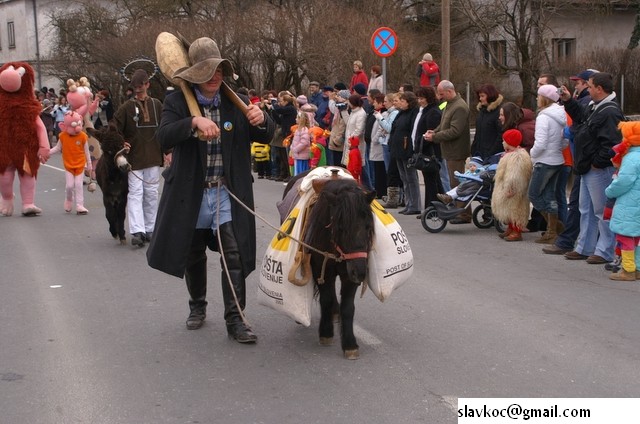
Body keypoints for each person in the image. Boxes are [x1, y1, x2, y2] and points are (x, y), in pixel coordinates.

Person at [146, 36, 275, 343]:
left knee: (234, 254)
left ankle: (236, 320)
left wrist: (262, 119)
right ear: (194, 73)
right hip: (192, 194)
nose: (215, 76)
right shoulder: (177, 101)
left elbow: (267, 136)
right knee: (193, 254)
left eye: (219, 70)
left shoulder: (237, 100)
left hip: (227, 193)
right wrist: (193, 123)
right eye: (208, 71)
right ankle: (197, 306)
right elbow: (163, 136)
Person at [560, 72, 624, 264]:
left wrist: (597, 162)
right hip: (587, 167)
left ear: (599, 89)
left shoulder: (610, 111)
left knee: (601, 210)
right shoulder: (595, 106)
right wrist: (569, 101)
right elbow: (581, 119)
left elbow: (612, 143)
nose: (587, 88)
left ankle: (605, 250)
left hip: (597, 169)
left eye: (589, 85)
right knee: (586, 209)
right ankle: (585, 247)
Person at [543, 69, 598, 255]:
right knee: (579, 203)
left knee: (582, 204)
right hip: (579, 159)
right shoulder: (583, 102)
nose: (577, 85)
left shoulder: (593, 103)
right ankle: (579, 243)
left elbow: (582, 127)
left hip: (585, 160)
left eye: (581, 83)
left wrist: (570, 132)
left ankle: (571, 240)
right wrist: (568, 101)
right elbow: (579, 118)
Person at [114, 69, 165, 247]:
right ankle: (137, 231)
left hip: (153, 156)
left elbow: (165, 128)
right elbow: (115, 128)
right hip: (134, 159)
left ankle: (150, 229)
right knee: (136, 194)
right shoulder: (126, 108)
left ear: (147, 84)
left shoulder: (157, 104)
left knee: (151, 193)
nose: (138, 89)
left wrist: (169, 151)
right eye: (135, 86)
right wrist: (122, 144)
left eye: (141, 86)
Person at [425, 80, 471, 223]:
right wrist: (435, 131)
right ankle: (461, 211)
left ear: (449, 91)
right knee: (454, 183)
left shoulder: (460, 107)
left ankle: (463, 214)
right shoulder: (448, 104)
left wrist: (435, 137)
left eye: (441, 94)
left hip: (456, 151)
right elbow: (444, 123)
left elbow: (455, 131)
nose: (440, 97)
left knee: (457, 183)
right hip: (450, 150)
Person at [528, 84, 567, 244]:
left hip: (544, 161)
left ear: (545, 98)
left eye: (539, 96)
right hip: (557, 159)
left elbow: (540, 143)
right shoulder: (561, 114)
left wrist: (532, 154)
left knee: (534, 194)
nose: (537, 98)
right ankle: (553, 231)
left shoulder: (544, 117)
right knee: (550, 195)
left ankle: (555, 228)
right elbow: (565, 140)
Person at [604, 121, 640, 280]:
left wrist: (610, 191)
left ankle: (628, 269)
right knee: (637, 238)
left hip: (629, 204)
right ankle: (637, 268)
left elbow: (623, 182)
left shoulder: (632, 158)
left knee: (625, 237)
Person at [491, 129, 533, 241]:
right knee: (509, 209)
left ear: (510, 142)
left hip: (514, 189)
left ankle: (517, 231)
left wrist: (511, 187)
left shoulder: (517, 157)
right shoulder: (509, 154)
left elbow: (514, 175)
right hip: (506, 187)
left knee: (516, 209)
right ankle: (510, 227)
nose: (502, 142)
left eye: (504, 141)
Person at [49, 111, 92, 214]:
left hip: (80, 164)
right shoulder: (63, 136)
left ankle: (80, 205)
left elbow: (87, 152)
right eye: (73, 126)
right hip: (68, 165)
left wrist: (89, 164)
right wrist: (47, 153)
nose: (77, 128)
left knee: (78, 185)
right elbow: (57, 148)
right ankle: (69, 199)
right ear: (64, 126)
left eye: (78, 124)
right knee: (69, 186)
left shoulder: (82, 136)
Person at [388, 91, 421, 214]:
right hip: (398, 149)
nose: (400, 103)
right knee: (404, 178)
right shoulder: (401, 113)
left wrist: (412, 149)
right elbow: (394, 128)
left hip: (407, 149)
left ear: (409, 102)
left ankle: (415, 205)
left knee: (411, 178)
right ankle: (408, 203)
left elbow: (414, 131)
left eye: (402, 101)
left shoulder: (414, 113)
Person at [414, 86, 443, 210]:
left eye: (422, 98)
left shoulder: (433, 112)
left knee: (432, 181)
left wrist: (421, 144)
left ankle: (432, 207)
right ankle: (432, 207)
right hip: (426, 150)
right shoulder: (427, 110)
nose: (419, 101)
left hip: (430, 152)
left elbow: (431, 134)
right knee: (431, 181)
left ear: (428, 98)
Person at [470, 83, 504, 160]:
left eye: (482, 96)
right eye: (479, 96)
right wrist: (473, 149)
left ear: (490, 95)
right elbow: (478, 133)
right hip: (479, 154)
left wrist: (491, 153)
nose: (480, 99)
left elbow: (500, 135)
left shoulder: (498, 113)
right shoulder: (481, 112)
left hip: (492, 156)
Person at [290, 111, 311, 175]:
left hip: (301, 155)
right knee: (297, 170)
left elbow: (304, 142)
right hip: (298, 155)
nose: (295, 119)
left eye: (297, 118)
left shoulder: (304, 130)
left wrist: (296, 149)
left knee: (301, 172)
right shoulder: (298, 129)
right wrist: (292, 147)